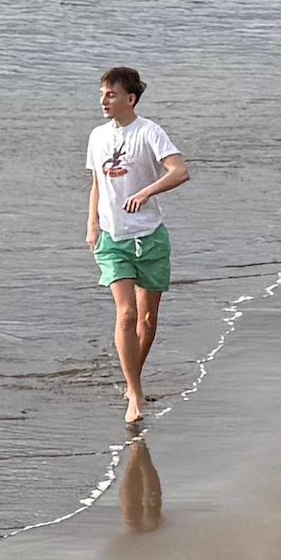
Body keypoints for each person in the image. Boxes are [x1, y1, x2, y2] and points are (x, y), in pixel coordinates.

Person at [82, 64, 189, 431]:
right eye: (101, 94)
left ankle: (133, 380)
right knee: (126, 315)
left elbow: (180, 171)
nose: (104, 100)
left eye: (110, 94)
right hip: (113, 238)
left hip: (151, 237)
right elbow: (97, 182)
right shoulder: (97, 136)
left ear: (131, 98)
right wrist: (92, 223)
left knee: (147, 319)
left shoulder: (150, 132)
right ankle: (135, 392)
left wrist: (145, 192)